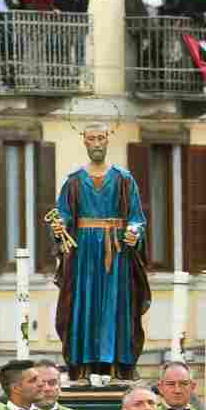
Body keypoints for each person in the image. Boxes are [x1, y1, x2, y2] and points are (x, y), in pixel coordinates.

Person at [51, 124, 150, 381]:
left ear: (108, 140)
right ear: (84, 141)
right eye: (92, 138)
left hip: (117, 253)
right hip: (84, 254)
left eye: (101, 138)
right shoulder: (73, 180)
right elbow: (62, 213)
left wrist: (134, 231)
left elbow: (138, 217)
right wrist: (59, 225)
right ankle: (83, 367)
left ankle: (117, 366)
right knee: (83, 304)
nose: (96, 143)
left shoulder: (124, 179)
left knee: (117, 304)